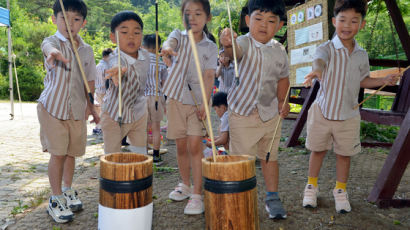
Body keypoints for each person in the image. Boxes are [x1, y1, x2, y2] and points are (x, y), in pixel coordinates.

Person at [302, 0, 399, 213]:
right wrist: (317, 71)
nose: (347, 25)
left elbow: (363, 80)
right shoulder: (325, 47)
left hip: (349, 114)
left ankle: (340, 190)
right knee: (317, 151)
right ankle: (311, 186)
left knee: (344, 154)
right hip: (323, 112)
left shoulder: (362, 54)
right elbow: (319, 61)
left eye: (354, 21)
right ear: (334, 21)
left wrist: (386, 81)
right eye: (343, 20)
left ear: (361, 25)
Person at [220, 0, 290, 219]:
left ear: (280, 26)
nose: (264, 25)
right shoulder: (243, 42)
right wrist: (228, 44)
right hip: (242, 114)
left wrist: (283, 101)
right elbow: (234, 53)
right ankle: (238, 197)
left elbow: (283, 78)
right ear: (248, 20)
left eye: (271, 21)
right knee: (242, 160)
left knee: (270, 157)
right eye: (258, 18)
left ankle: (272, 197)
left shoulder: (280, 50)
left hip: (270, 114)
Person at [38, 0, 99, 223]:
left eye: (76, 19)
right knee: (58, 153)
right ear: (54, 19)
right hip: (52, 108)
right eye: (65, 18)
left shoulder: (86, 50)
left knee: (72, 152)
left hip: (76, 110)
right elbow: (48, 48)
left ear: (83, 23)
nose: (70, 24)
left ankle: (67, 189)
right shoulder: (51, 41)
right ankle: (55, 198)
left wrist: (92, 108)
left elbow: (89, 82)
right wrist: (53, 53)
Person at [160, 0, 217, 215]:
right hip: (175, 98)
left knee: (195, 145)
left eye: (197, 13)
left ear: (207, 18)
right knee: (181, 145)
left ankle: (197, 192)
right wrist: (166, 49)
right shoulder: (178, 35)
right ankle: (184, 184)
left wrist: (204, 101)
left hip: (197, 102)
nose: (191, 18)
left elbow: (210, 75)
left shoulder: (210, 47)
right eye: (187, 13)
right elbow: (169, 44)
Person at [101, 11, 150, 154]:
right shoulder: (114, 58)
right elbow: (115, 65)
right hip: (114, 113)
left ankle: (139, 176)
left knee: (141, 155)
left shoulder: (146, 56)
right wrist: (118, 72)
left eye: (136, 32)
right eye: (124, 32)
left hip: (139, 112)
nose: (131, 36)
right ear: (112, 37)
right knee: (112, 156)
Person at [142, 34, 168, 165]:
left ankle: (145, 154)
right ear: (158, 47)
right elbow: (165, 83)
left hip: (142, 97)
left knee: (144, 127)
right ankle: (156, 155)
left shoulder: (141, 61)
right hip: (157, 96)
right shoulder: (161, 62)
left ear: (144, 46)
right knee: (156, 127)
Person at [93, 48, 113, 135]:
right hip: (104, 91)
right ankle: (99, 127)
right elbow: (108, 79)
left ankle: (99, 126)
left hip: (98, 90)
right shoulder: (106, 66)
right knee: (104, 110)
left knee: (100, 109)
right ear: (107, 56)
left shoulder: (97, 65)